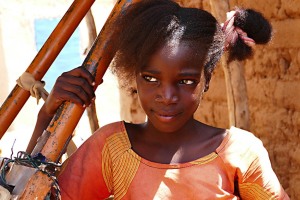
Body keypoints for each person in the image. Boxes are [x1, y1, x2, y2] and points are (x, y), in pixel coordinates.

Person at [28, 0, 289, 199]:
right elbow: (33, 194)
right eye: (151, 78)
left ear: (206, 79)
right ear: (134, 76)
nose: (167, 96)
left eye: (185, 81)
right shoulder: (112, 148)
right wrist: (46, 115)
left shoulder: (241, 152)